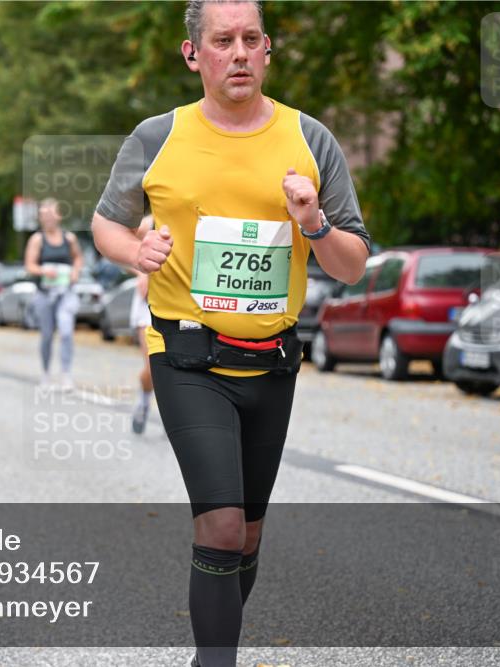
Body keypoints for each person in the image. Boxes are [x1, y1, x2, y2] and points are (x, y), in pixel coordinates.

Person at [91, 2, 370, 665]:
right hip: (185, 356)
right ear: (195, 55)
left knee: (245, 535)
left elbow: (353, 266)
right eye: (223, 41)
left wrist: (314, 223)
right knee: (217, 524)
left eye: (251, 39)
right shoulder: (157, 137)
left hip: (271, 362)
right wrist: (136, 253)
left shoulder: (310, 139)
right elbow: (106, 222)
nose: (238, 52)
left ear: (268, 50)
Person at [23, 198, 83, 389]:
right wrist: (43, 271)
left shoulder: (69, 238)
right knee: (47, 335)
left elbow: (78, 258)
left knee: (66, 331)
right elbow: (29, 265)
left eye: (51, 213)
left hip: (65, 292)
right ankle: (46, 374)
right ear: (40, 217)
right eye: (44, 214)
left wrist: (75, 272)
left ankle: (66, 374)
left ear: (59, 215)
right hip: (45, 293)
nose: (48, 217)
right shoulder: (37, 239)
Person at [130, 216, 155, 435]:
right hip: (149, 303)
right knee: (152, 368)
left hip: (183, 302)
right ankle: (144, 402)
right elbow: (121, 241)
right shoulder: (148, 223)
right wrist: (141, 272)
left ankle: (176, 417)